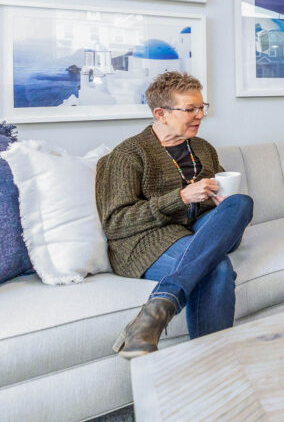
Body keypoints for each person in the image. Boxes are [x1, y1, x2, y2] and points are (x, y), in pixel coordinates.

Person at [96, 71, 253, 359]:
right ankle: (212, 361)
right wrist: (180, 198)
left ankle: (158, 306)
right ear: (161, 113)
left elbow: (207, 206)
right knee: (217, 268)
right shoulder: (128, 155)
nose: (199, 115)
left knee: (240, 203)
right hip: (148, 243)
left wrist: (218, 204)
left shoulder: (203, 149)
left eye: (202, 107)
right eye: (190, 109)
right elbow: (115, 223)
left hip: (198, 233)